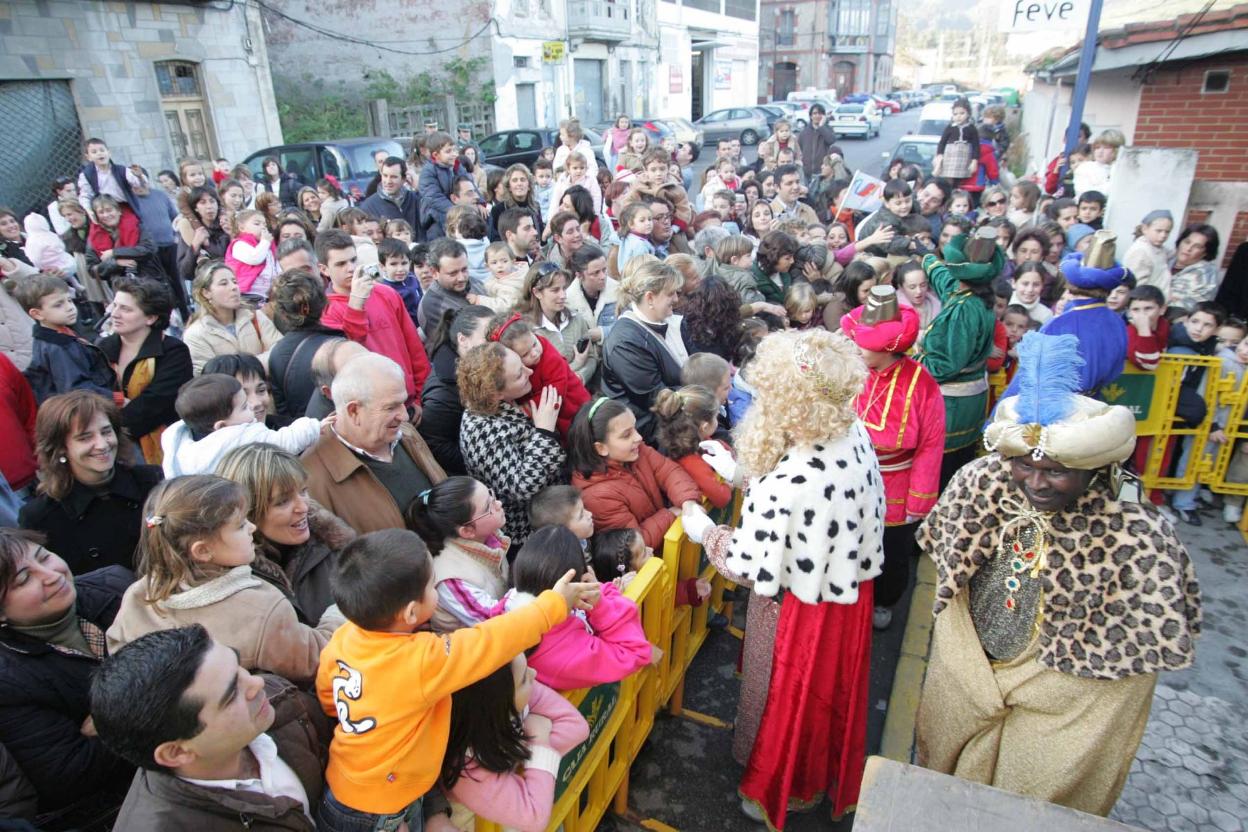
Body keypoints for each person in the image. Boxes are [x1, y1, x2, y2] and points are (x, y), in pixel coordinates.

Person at [916, 332, 1200, 817]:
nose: (1037, 482)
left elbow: (1130, 668)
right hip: (971, 669)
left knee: (1027, 800)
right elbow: (945, 559)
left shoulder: (1136, 534)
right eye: (1025, 466)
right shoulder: (983, 483)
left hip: (1062, 695)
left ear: (1094, 471)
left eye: (1058, 472)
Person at [681, 328, 884, 829]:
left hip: (796, 610)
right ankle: (815, 777)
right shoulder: (852, 431)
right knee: (827, 699)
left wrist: (704, 531)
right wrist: (741, 472)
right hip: (847, 595)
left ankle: (776, 782)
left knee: (785, 699)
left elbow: (746, 565)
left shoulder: (793, 480)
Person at [312, 528, 595, 831]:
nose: (438, 589)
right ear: (410, 613)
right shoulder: (420, 661)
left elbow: (329, 697)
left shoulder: (345, 638)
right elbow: (491, 641)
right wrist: (552, 605)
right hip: (380, 809)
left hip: (345, 787)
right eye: (432, 586)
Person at [105, 474, 343, 685]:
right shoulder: (259, 608)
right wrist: (339, 612)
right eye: (240, 526)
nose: (251, 527)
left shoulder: (139, 595)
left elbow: (119, 656)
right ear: (202, 551)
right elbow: (316, 658)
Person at [90, 625, 329, 831]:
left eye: (238, 667)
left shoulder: (277, 699)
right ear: (177, 752)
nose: (257, 683)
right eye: (231, 694)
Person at [0, 528, 135, 816]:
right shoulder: (8, 681)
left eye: (44, 558)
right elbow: (72, 773)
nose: (51, 575)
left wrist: (110, 717)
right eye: (24, 579)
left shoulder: (117, 584)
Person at [841, 287, 945, 630]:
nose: (856, 346)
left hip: (894, 484)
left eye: (863, 342)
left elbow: (931, 445)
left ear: (887, 347)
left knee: (890, 549)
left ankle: (885, 600)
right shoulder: (849, 371)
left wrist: (920, 498)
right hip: (848, 476)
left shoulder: (923, 385)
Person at [442, 653, 589, 832]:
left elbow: (577, 726)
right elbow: (534, 816)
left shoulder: (491, 697)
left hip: (501, 806)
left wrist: (514, 753)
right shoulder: (467, 771)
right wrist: (538, 739)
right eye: (524, 680)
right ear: (498, 705)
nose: (534, 673)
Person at [302, 353, 447, 533]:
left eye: (404, 403)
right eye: (391, 407)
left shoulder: (405, 432)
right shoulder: (313, 478)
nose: (405, 415)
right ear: (354, 411)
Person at [20, 390, 162, 573]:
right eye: (85, 438)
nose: (102, 445)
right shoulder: (40, 516)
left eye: (106, 432)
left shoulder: (152, 481)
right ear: (61, 448)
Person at [501, 526, 654, 690]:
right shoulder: (563, 651)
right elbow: (635, 653)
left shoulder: (510, 603)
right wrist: (601, 604)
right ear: (576, 579)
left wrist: (596, 590)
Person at [216, 443, 354, 624]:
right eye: (282, 502)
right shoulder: (234, 584)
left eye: (303, 491)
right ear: (247, 512)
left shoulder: (332, 545)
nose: (304, 507)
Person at [914, 229, 1001, 485]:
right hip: (971, 401)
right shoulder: (965, 293)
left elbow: (944, 365)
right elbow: (942, 277)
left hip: (952, 406)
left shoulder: (963, 310)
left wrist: (904, 363)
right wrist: (925, 256)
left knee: (944, 475)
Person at [456, 343, 565, 546]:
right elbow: (521, 488)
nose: (530, 371)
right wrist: (544, 431)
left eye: (522, 365)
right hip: (530, 532)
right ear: (495, 394)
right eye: (519, 375)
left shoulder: (499, 404)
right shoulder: (481, 432)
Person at [316, 230, 431, 409]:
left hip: (408, 399)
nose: (351, 268)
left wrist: (420, 396)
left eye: (353, 260)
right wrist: (356, 304)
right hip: (372, 409)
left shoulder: (386, 293)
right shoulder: (326, 311)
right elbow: (351, 356)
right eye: (340, 264)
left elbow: (414, 348)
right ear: (323, 269)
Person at [568, 397, 700, 550]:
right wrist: (670, 514)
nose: (638, 437)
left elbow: (668, 471)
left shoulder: (635, 452)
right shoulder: (597, 497)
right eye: (626, 435)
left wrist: (688, 501)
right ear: (601, 448)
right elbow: (634, 545)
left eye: (635, 428)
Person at [98, 277, 193, 465]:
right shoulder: (103, 348)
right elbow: (95, 394)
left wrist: (113, 423)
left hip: (166, 446)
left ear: (151, 318)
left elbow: (156, 404)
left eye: (125, 309)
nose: (114, 314)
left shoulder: (173, 351)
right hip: (114, 447)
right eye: (115, 305)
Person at [159, 373, 321, 477]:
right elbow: (286, 441)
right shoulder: (240, 437)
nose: (252, 406)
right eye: (244, 407)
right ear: (221, 426)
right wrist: (314, 426)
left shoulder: (181, 447)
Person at [406, 475, 510, 633]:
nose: (499, 503)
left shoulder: (489, 536)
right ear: (467, 531)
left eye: (492, 495)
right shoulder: (451, 579)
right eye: (488, 506)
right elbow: (499, 622)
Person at [601, 260, 688, 445]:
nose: (676, 299)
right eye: (671, 294)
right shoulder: (625, 343)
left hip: (676, 420)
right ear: (650, 298)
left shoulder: (669, 321)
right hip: (651, 434)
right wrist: (704, 394)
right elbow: (658, 399)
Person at [1030, 233, 1129, 395]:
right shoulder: (1117, 322)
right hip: (1094, 405)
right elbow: (1116, 369)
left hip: (1057, 408)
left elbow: (1032, 377)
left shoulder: (1060, 324)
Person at [8, 273, 113, 404]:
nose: (70, 308)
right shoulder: (58, 347)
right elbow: (77, 390)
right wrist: (116, 399)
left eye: (69, 300)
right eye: (58, 305)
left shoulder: (60, 334)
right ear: (37, 314)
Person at [419, 305, 493, 475]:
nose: (496, 343)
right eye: (488, 337)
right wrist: (486, 463)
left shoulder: (482, 365)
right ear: (463, 340)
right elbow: (437, 445)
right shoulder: (443, 392)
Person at [266, 268, 347, 419]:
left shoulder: (276, 353)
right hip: (339, 432)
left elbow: (283, 411)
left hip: (303, 435)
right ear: (324, 304)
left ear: (282, 313)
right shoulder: (339, 346)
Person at [182, 260, 282, 374]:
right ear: (206, 293)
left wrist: (243, 369)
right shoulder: (196, 334)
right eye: (224, 283)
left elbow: (279, 349)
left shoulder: (254, 316)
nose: (234, 287)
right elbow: (208, 377)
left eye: (234, 281)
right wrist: (255, 367)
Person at [651, 385, 735, 509]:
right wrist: (729, 484)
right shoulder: (691, 462)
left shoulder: (685, 438)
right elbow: (721, 498)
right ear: (705, 427)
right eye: (716, 416)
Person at [516, 262, 595, 385]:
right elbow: (540, 379)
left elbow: (592, 357)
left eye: (564, 288)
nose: (563, 295)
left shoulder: (576, 319)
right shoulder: (526, 331)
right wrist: (576, 365)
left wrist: (581, 376)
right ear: (537, 293)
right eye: (555, 290)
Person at [417, 238, 477, 339]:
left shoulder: (476, 282)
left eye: (464, 269)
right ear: (434, 273)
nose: (461, 278)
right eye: (453, 273)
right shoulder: (431, 307)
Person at [175, 185, 230, 286]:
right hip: (205, 286)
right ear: (195, 208)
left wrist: (231, 234)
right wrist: (195, 245)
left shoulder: (226, 226)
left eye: (212, 201)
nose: (209, 206)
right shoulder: (191, 231)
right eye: (203, 202)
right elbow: (185, 272)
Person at [76, 137, 141, 213]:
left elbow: (137, 184)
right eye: (94, 152)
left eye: (102, 150)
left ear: (109, 153)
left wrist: (139, 176)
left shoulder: (122, 170)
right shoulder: (86, 175)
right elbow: (85, 195)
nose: (99, 153)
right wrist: (89, 210)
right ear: (88, 157)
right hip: (102, 210)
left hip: (123, 207)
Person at [1123, 210, 1175, 301]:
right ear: (1145, 229)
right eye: (1159, 231)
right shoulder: (1140, 251)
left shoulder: (1158, 248)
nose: (1163, 235)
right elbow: (1138, 286)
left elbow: (1170, 254)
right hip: (1147, 303)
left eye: (1167, 232)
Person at [1169, 222, 1221, 310]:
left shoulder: (1206, 273)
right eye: (1187, 242)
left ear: (1205, 253)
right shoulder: (1165, 259)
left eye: (1197, 246)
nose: (1188, 249)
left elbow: (1193, 307)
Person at [418, 132, 459, 240]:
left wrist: (480, 201)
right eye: (448, 151)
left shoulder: (455, 166)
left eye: (454, 150)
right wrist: (455, 210)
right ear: (436, 155)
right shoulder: (428, 171)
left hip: (454, 212)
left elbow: (468, 182)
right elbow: (433, 197)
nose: (454, 154)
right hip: (435, 216)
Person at [1073, 129, 1125, 198]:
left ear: (1116, 150)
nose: (1100, 151)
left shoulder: (1122, 170)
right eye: (1097, 147)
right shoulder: (1085, 168)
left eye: (1106, 148)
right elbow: (1085, 193)